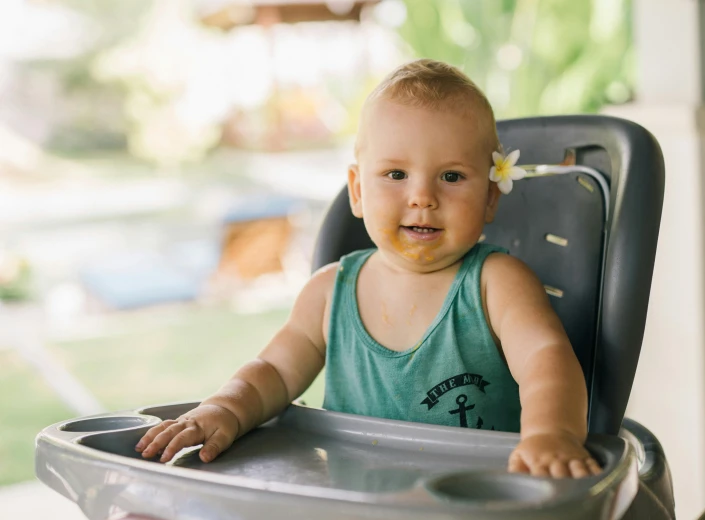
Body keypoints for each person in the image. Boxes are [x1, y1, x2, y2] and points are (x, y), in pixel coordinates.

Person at [135, 59, 601, 479]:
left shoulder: (495, 285)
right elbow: (273, 371)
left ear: (490, 197)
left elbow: (546, 360)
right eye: (396, 175)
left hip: (474, 499)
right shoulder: (328, 292)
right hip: (354, 498)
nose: (423, 196)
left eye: (452, 176)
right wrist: (226, 409)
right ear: (357, 191)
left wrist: (550, 433)